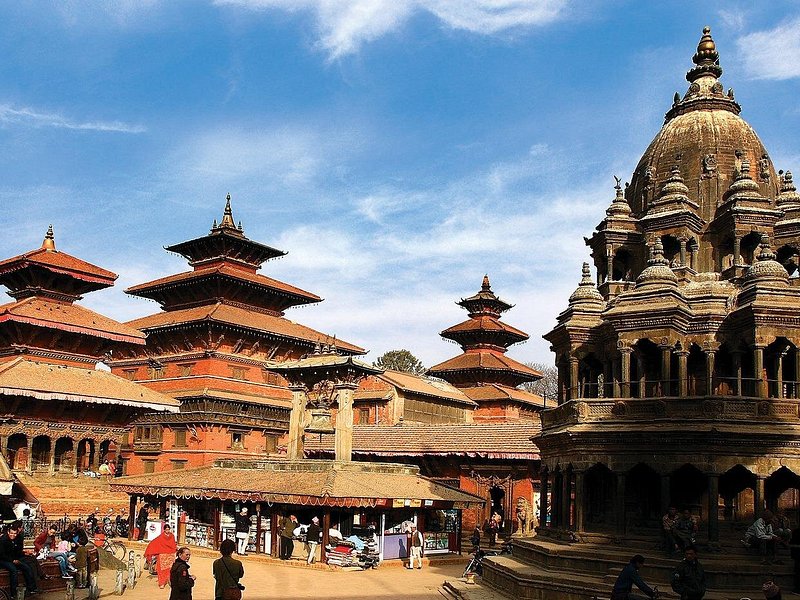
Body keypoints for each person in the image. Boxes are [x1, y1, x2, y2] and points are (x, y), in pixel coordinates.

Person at [0, 526, 37, 595]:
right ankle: (13, 593)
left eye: (15, 534)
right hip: (3, 560)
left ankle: (31, 588)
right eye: (11, 533)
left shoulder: (15, 540)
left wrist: (25, 553)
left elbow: (17, 552)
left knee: (27, 567)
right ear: (8, 532)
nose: (13, 535)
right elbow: (2, 555)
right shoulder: (3, 540)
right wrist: (12, 560)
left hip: (12, 559)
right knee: (13, 570)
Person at [144, 523, 177, 588]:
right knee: (161, 570)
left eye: (168, 529)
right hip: (162, 555)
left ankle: (170, 581)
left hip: (170, 555)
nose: (167, 531)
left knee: (170, 570)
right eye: (166, 529)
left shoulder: (172, 536)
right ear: (164, 530)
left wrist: (176, 548)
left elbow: (173, 545)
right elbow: (153, 543)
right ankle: (162, 583)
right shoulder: (161, 537)